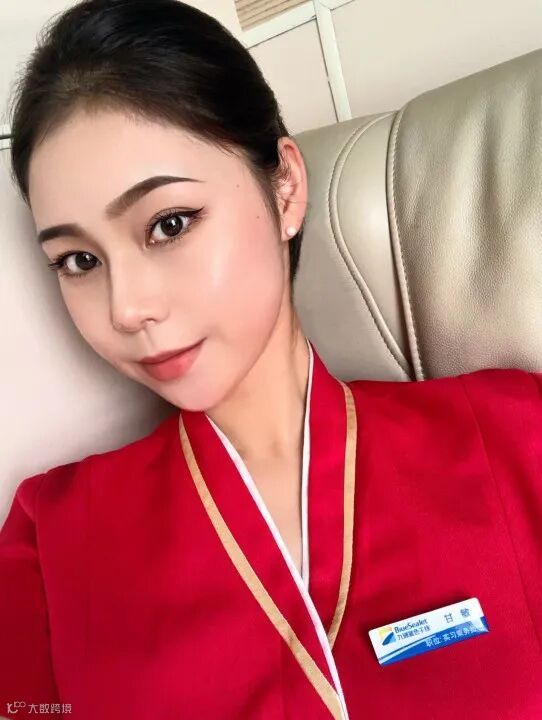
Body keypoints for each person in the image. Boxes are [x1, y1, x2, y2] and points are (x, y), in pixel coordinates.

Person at [1, 1, 542, 718]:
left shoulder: (516, 437)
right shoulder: (50, 539)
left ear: (285, 186)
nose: (126, 307)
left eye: (168, 224)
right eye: (78, 260)